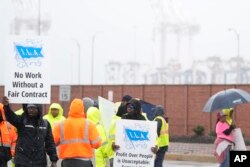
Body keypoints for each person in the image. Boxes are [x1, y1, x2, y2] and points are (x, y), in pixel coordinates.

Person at [2, 96, 58, 167]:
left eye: (33, 108)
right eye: (29, 108)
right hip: (22, 162)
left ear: (39, 109)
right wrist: (6, 106)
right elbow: (11, 117)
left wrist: (54, 160)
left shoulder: (45, 124)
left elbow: (50, 143)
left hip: (40, 163)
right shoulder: (22, 121)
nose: (30, 110)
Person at [53, 98, 101, 167]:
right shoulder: (89, 124)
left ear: (70, 108)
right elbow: (97, 144)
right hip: (84, 162)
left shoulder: (61, 125)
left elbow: (52, 142)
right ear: (82, 109)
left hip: (67, 162)